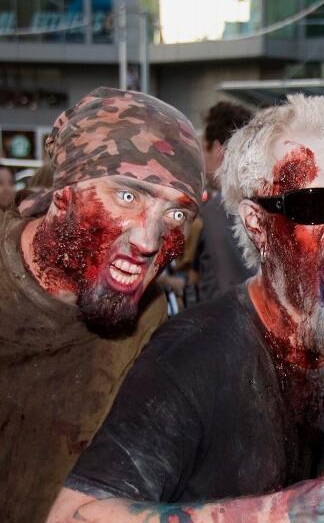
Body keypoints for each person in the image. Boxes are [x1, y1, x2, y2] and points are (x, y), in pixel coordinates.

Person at [48, 94, 324, 523]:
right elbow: (72, 517)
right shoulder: (192, 357)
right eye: (313, 205)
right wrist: (273, 514)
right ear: (256, 224)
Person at [0, 87, 205, 523]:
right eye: (127, 197)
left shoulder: (145, 321)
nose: (149, 241)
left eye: (176, 215)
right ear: (64, 194)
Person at [194, 100, 256, 302]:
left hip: (219, 326)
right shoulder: (262, 203)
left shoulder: (211, 213)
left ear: (218, 150)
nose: (202, 158)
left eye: (204, 148)